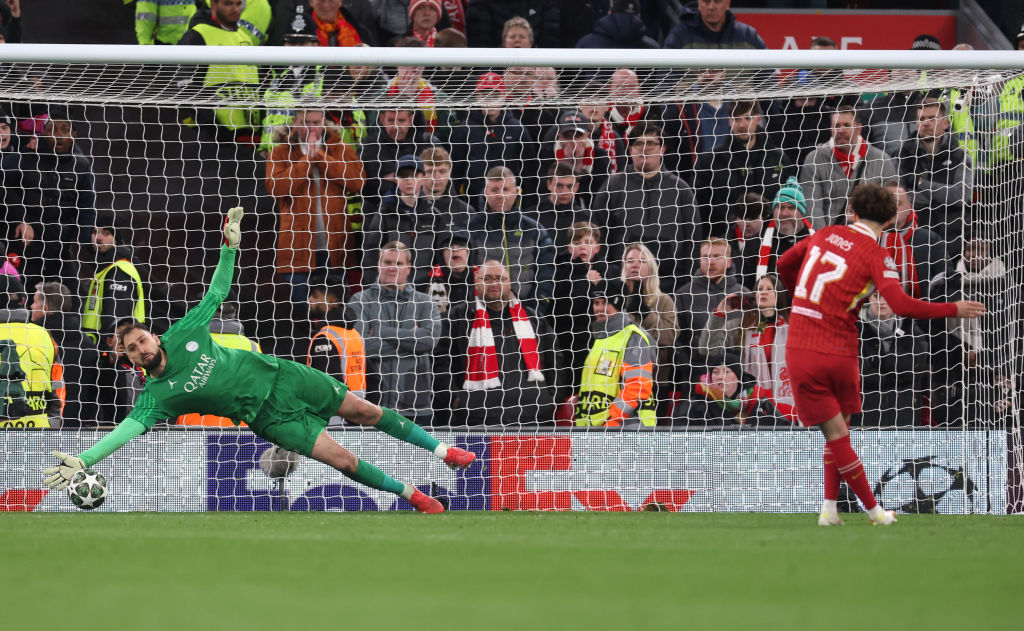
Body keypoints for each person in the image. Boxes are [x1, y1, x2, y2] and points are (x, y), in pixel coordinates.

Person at [43, 208, 475, 514]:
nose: (141, 348)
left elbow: (216, 292)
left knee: (364, 410)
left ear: (153, 335)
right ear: (129, 358)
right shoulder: (156, 397)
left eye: (142, 339)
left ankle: (443, 450)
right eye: (133, 348)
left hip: (285, 376)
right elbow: (125, 432)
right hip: (268, 418)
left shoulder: (185, 332)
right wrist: (84, 461)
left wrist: (229, 248)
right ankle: (414, 496)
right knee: (343, 461)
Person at [775, 183, 986, 526]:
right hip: (842, 350)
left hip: (803, 346)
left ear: (853, 212)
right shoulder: (878, 256)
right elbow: (902, 305)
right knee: (840, 430)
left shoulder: (826, 233)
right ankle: (867, 512)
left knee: (835, 432)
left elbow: (784, 263)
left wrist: (801, 297)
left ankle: (836, 508)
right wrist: (953, 308)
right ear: (889, 221)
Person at [435, 259, 563, 426]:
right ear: (476, 282)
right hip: (477, 422)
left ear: (509, 283)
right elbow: (440, 362)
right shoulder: (458, 317)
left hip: (536, 419)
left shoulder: (533, 319)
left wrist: (552, 398)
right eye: (487, 278)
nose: (494, 283)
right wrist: (456, 399)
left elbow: (556, 360)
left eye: (500, 278)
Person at [267, 108, 366, 304]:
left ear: (323, 121)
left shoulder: (340, 147)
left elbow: (358, 181)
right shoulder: (280, 151)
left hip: (335, 249)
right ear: (295, 122)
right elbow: (275, 187)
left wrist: (320, 156)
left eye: (315, 122)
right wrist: (306, 161)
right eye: (305, 122)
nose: (311, 127)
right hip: (298, 249)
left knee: (336, 309)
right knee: (301, 313)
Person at [597, 122, 702, 292]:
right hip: (624, 284)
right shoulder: (612, 187)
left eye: (651, 143)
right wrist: (610, 275)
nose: (644, 149)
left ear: (662, 149)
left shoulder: (681, 190)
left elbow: (693, 241)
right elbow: (599, 235)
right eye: (638, 143)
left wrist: (686, 283)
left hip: (671, 285)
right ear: (630, 150)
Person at [349, 241, 441, 425]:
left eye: (398, 263)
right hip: (369, 405)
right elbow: (359, 347)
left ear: (408, 268)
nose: (393, 268)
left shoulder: (425, 302)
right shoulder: (360, 299)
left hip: (416, 405)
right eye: (388, 262)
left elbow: (428, 341)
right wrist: (411, 339)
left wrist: (381, 331)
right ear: (379, 265)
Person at [5, 106, 96, 290]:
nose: (58, 135)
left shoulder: (82, 166)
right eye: (52, 129)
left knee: (69, 296)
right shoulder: (26, 159)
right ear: (43, 133)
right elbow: (7, 189)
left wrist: (90, 245)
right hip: (25, 246)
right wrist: (21, 219)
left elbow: (86, 209)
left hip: (60, 248)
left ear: (75, 134)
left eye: (65, 130)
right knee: (22, 293)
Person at [700, 273, 796, 423]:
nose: (763, 291)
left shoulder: (793, 328)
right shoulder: (742, 326)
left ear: (779, 295)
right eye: (759, 288)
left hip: (788, 405)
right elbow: (707, 349)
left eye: (769, 289)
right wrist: (719, 315)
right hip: (751, 404)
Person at [693, 100, 795, 235]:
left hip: (771, 239)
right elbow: (701, 208)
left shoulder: (779, 158)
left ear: (758, 119)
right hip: (726, 242)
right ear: (729, 121)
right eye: (736, 119)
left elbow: (791, 202)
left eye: (748, 118)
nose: (742, 125)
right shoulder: (710, 161)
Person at [467, 166, 556, 315]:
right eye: (495, 190)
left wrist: (535, 311)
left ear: (516, 193)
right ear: (485, 192)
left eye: (506, 189)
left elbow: (547, 274)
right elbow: (466, 276)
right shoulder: (471, 229)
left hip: (528, 313)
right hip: (483, 315)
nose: (500, 195)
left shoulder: (534, 230)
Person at [799, 104, 898, 228]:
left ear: (859, 129)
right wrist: (826, 240)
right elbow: (812, 208)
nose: (841, 130)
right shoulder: (814, 159)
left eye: (846, 125)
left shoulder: (881, 160)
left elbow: (891, 205)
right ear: (831, 129)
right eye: (837, 126)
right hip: (829, 240)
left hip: (869, 237)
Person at [576, 278, 656, 427]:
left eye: (605, 302)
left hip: (629, 427)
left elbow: (638, 386)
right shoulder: (600, 338)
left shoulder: (633, 336)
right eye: (596, 303)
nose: (599, 308)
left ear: (618, 304)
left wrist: (612, 420)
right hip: (598, 428)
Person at [897, 97, 973, 246]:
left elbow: (959, 196)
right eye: (921, 119)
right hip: (915, 236)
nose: (926, 123)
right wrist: (942, 195)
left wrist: (921, 183)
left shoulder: (960, 156)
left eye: (932, 118)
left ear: (945, 123)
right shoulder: (903, 156)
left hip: (954, 236)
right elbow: (902, 199)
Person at [448, 72, 535, 198]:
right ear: (478, 96)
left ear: (504, 96)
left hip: (511, 202)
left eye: (496, 94)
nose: (490, 99)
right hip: (473, 204)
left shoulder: (517, 129)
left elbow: (529, 171)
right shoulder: (464, 130)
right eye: (485, 94)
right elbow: (455, 173)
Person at [675, 238, 747, 381]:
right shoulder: (683, 294)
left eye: (717, 256)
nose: (710, 262)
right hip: (695, 377)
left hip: (737, 377)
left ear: (729, 262)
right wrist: (686, 366)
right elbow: (676, 339)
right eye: (706, 257)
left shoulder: (744, 294)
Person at [551, 222, 613, 386]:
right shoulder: (559, 272)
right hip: (571, 345)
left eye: (588, 242)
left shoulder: (609, 271)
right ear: (570, 248)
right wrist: (587, 284)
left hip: (604, 344)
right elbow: (562, 310)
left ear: (598, 248)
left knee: (602, 386)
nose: (582, 247)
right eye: (577, 243)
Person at [30, 281, 99, 427]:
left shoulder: (32, 341)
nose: (31, 306)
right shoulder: (88, 345)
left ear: (45, 308)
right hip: (78, 427)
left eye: (34, 302)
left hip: (40, 425)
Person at [620, 243, 677, 411]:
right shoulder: (616, 299)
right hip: (620, 380)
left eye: (641, 261)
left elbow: (670, 337)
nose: (635, 265)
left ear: (650, 267)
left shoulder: (664, 300)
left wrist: (646, 314)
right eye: (630, 261)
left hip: (656, 381)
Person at [854, 292, 923, 427]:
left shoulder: (911, 326)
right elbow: (860, 374)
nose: (882, 301)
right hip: (865, 416)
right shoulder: (855, 329)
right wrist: (895, 376)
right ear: (869, 298)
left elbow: (914, 368)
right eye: (876, 296)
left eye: (887, 296)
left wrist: (877, 361)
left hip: (904, 416)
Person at [82, 210, 146, 346]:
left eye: (106, 233)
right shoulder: (106, 268)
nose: (98, 238)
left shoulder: (120, 270)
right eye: (95, 232)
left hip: (112, 353)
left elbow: (117, 322)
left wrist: (108, 355)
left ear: (116, 238)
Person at [306, 279, 367, 424]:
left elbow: (331, 386)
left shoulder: (325, 337)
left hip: (333, 422)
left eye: (315, 296)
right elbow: (375, 378)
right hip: (358, 416)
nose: (309, 300)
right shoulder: (354, 334)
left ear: (332, 301)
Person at [526, 163, 590, 248]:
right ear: (549, 185)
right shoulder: (530, 217)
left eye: (569, 186)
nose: (564, 192)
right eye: (559, 186)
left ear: (576, 187)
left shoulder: (586, 218)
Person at [663, 0, 765, 51]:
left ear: (727, 3)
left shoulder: (748, 35)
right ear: (699, 3)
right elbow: (665, 84)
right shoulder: (679, 35)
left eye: (717, 1)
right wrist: (696, 87)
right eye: (706, 1)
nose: (711, 7)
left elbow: (769, 81)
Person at [575, 0, 658, 50]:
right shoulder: (652, 47)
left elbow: (576, 73)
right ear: (638, 15)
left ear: (609, 12)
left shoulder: (586, 44)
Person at [467, 7, 559, 49]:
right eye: (512, 37)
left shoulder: (543, 68)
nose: (517, 40)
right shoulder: (492, 69)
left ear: (531, 42)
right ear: (504, 41)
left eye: (522, 37)